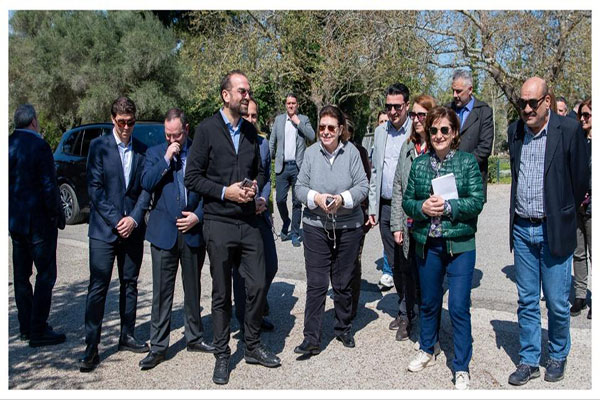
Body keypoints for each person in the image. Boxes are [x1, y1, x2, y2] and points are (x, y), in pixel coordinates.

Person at [184, 70, 280, 385]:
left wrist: (255, 188)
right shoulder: (206, 130)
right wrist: (227, 192)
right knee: (222, 292)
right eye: (242, 91)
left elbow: (261, 171)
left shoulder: (252, 133)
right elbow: (192, 178)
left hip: (249, 220)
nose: (247, 96)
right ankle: (223, 355)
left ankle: (251, 345)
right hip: (219, 221)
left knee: (258, 284)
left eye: (248, 91)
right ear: (226, 95)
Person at [506, 77, 589, 386]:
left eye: (533, 103)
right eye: (522, 103)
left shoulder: (568, 130)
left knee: (556, 301)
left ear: (547, 101)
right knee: (527, 300)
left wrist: (563, 212)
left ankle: (557, 353)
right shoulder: (515, 131)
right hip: (522, 229)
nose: (527, 109)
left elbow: (580, 180)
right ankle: (529, 360)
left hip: (553, 228)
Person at [402, 106, 484, 390]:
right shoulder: (419, 164)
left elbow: (477, 201)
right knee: (428, 301)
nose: (438, 135)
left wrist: (449, 206)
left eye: (444, 130)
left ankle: (461, 366)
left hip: (459, 245)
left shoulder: (467, 162)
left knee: (459, 306)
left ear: (454, 132)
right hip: (429, 243)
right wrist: (422, 208)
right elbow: (407, 201)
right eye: (434, 130)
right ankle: (428, 348)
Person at [138, 108, 215, 371]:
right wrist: (165, 159)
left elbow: (209, 190)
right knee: (162, 293)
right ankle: (158, 346)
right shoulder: (154, 153)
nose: (173, 140)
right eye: (168, 135)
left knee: (193, 288)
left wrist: (198, 216)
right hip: (164, 233)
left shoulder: (199, 153)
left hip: (192, 230)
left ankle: (194, 337)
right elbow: (146, 182)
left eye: (177, 136)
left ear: (187, 129)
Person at [79, 97, 151, 372]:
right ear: (113, 119)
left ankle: (127, 335)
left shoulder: (142, 149)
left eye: (130, 123)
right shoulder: (98, 146)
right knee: (98, 288)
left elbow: (145, 189)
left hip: (132, 230)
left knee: (129, 284)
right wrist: (117, 220)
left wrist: (133, 218)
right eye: (121, 122)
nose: (126, 128)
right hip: (103, 231)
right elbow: (94, 189)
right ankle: (91, 347)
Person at [294, 105, 368, 356]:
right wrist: (316, 198)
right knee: (316, 283)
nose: (325, 132)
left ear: (340, 129)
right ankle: (311, 338)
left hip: (348, 226)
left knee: (343, 281)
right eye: (322, 127)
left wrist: (342, 199)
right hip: (316, 225)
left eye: (330, 127)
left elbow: (363, 186)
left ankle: (343, 327)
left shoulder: (352, 152)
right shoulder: (311, 153)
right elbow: (299, 187)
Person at [9, 104, 66, 347]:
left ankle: (26, 326)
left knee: (22, 277)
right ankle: (38, 329)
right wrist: (56, 216)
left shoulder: (8, 144)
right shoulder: (40, 146)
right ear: (33, 121)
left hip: (16, 223)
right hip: (39, 224)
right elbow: (48, 186)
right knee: (46, 275)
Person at [367, 83, 416, 340]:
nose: (393, 111)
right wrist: (372, 207)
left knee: (408, 262)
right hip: (385, 205)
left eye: (397, 106)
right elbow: (375, 171)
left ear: (406, 105)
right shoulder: (379, 132)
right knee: (394, 262)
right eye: (389, 107)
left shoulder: (415, 129)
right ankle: (404, 306)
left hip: (408, 207)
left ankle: (409, 312)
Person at [390, 94, 437, 342]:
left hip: (431, 224)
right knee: (406, 272)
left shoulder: (438, 146)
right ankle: (407, 317)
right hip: (408, 223)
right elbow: (398, 186)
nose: (417, 119)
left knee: (428, 277)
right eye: (414, 115)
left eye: (422, 115)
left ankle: (431, 328)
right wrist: (397, 224)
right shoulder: (408, 147)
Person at [232, 97, 278, 333]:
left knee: (270, 265)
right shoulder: (233, 142)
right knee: (242, 274)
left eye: (254, 116)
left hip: (260, 212)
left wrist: (262, 198)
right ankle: (246, 321)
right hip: (239, 216)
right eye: (246, 115)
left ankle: (257, 310)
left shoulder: (263, 143)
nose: (251, 119)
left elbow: (267, 177)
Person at [269, 92, 316, 247]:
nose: (291, 105)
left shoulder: (303, 119)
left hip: (298, 167)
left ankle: (295, 233)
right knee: (280, 200)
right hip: (282, 167)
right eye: (288, 103)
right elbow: (272, 141)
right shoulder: (279, 120)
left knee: (297, 202)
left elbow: (312, 136)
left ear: (297, 105)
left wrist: (298, 122)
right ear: (286, 104)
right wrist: (268, 158)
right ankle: (286, 221)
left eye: (293, 103)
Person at [448, 69, 494, 200]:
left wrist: (462, 166)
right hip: (448, 180)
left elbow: (484, 148)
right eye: (453, 90)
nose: (455, 95)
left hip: (472, 181)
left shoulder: (484, 112)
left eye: (459, 91)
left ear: (470, 90)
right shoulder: (447, 110)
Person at [345, 117, 372, 320]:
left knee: (353, 260)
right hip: (332, 216)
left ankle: (351, 305)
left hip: (355, 215)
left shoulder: (360, 151)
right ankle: (342, 300)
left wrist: (366, 211)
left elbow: (366, 183)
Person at [571, 98, 592, 319]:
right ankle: (580, 295)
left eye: (587, 115)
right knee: (578, 253)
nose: (583, 119)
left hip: (592, 207)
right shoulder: (578, 141)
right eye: (581, 115)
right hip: (576, 207)